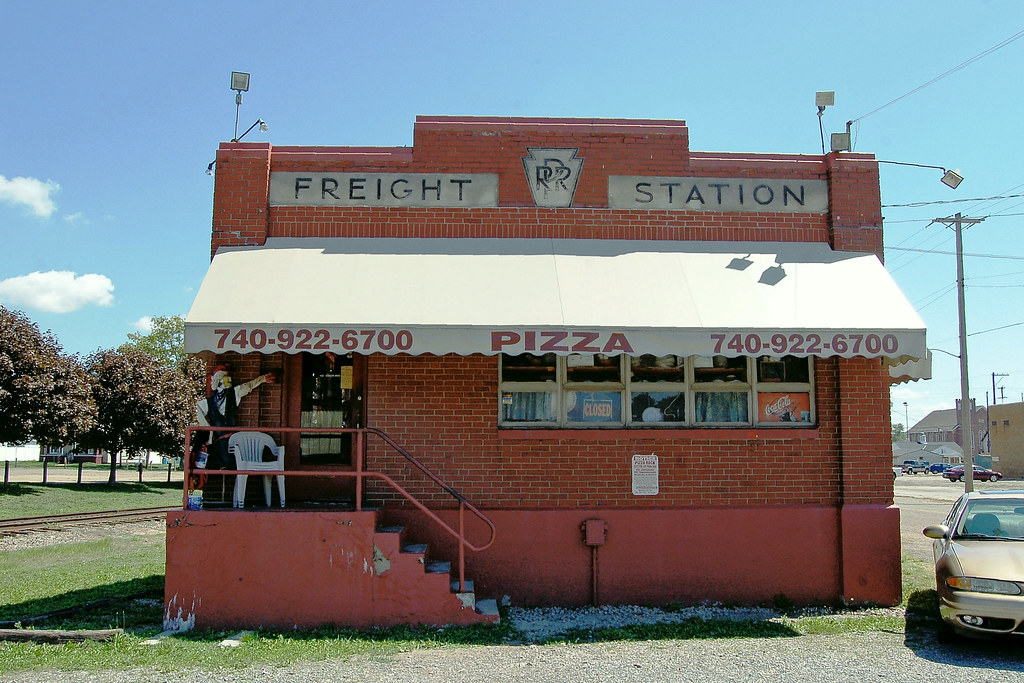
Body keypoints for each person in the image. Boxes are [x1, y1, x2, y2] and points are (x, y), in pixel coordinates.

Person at [194, 365, 276, 471]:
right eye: (225, 379)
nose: (228, 382)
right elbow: (197, 409)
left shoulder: (234, 394)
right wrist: (208, 429)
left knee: (233, 465)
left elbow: (248, 386)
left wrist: (262, 379)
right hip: (217, 442)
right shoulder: (208, 403)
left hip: (232, 441)